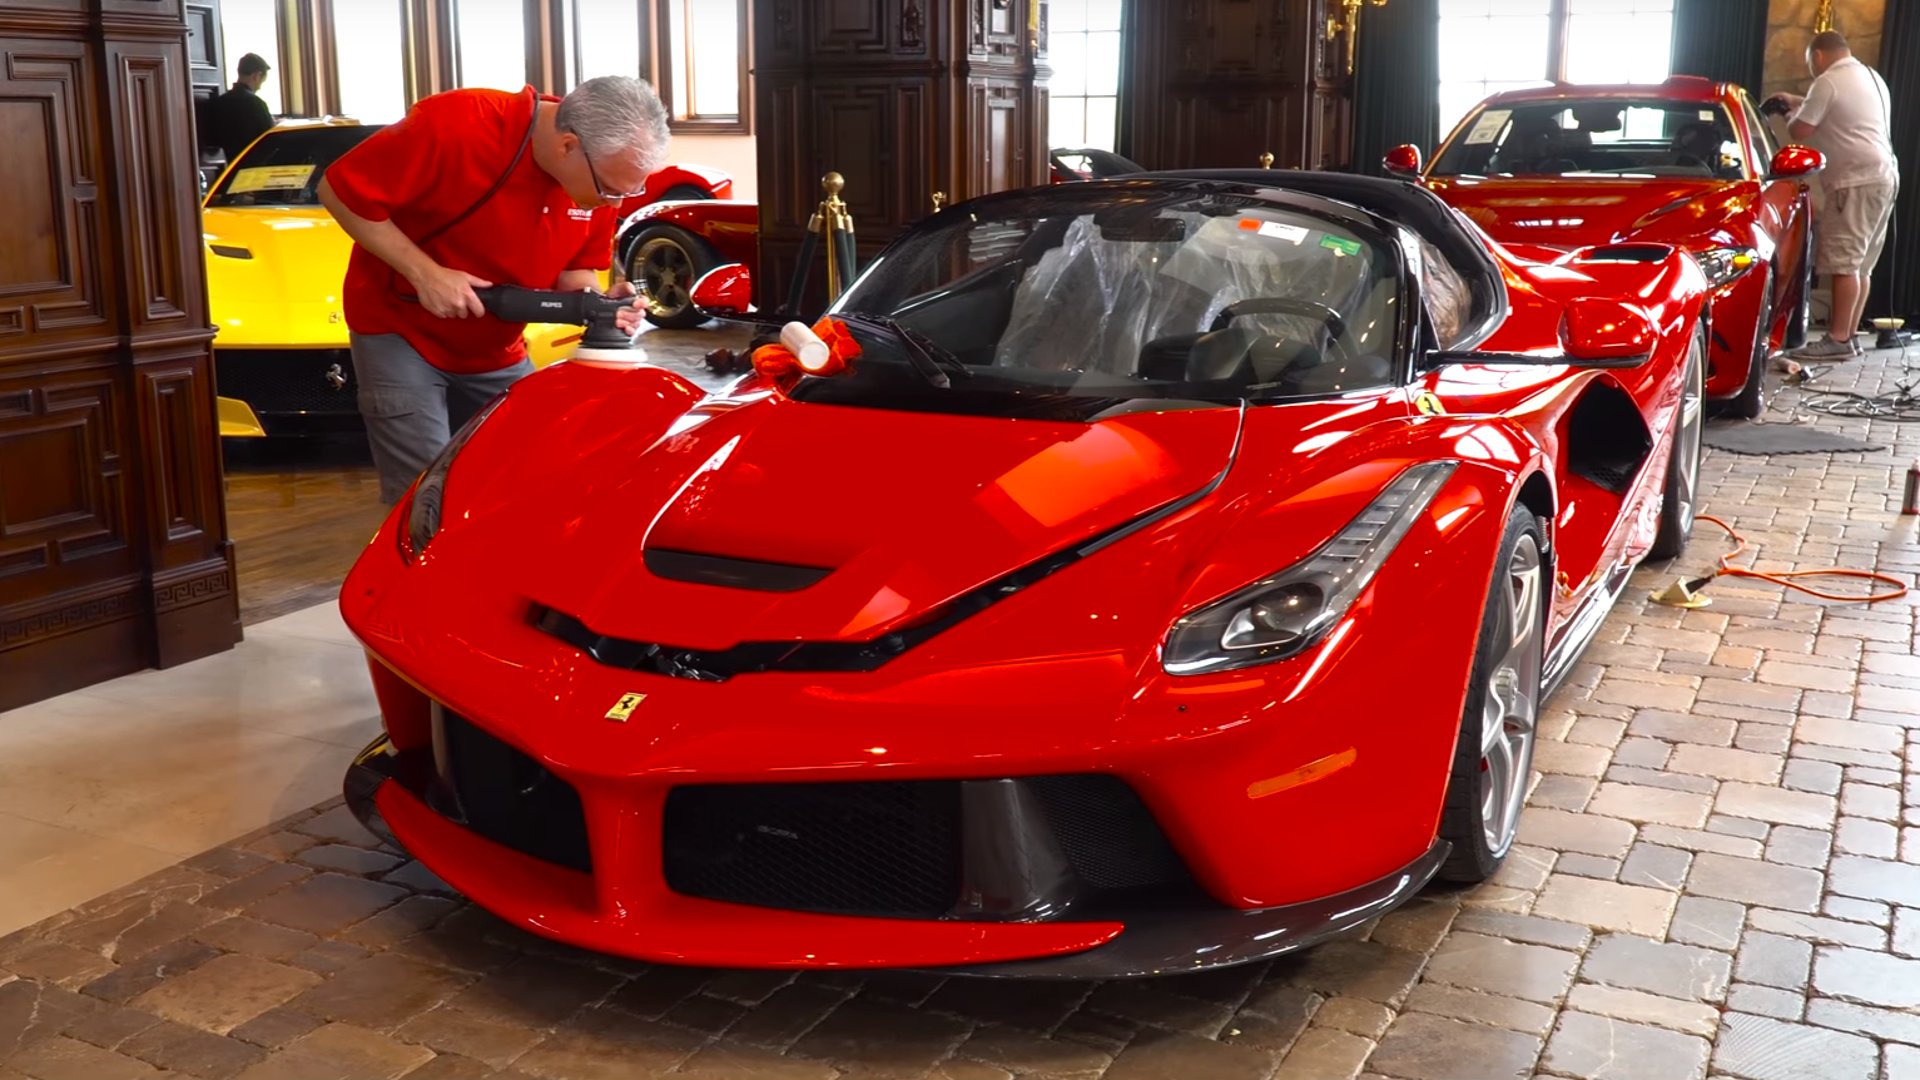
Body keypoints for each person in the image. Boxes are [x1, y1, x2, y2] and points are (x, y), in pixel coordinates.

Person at [317, 77, 668, 504]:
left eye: (630, 192)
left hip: (497, 346)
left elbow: (575, 270)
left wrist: (597, 303)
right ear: (568, 146)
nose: (615, 204)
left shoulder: (595, 176)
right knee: (425, 497)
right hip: (402, 332)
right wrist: (425, 274)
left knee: (524, 475)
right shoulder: (457, 125)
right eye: (610, 190)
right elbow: (339, 190)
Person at [1767, 30, 1899, 360]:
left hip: (1854, 181)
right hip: (1883, 177)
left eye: (1811, 62)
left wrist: (1790, 112)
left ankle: (1837, 340)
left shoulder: (1827, 81)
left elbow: (1800, 130)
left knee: (1844, 263)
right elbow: (1840, 111)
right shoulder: (1870, 77)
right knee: (1861, 265)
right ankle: (1849, 336)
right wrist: (1800, 101)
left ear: (1819, 56)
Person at [206, 53, 274, 164]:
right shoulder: (257, 104)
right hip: (256, 167)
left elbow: (213, 140)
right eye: (262, 82)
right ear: (256, 76)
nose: (260, 87)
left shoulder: (219, 102)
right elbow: (270, 139)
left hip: (232, 166)